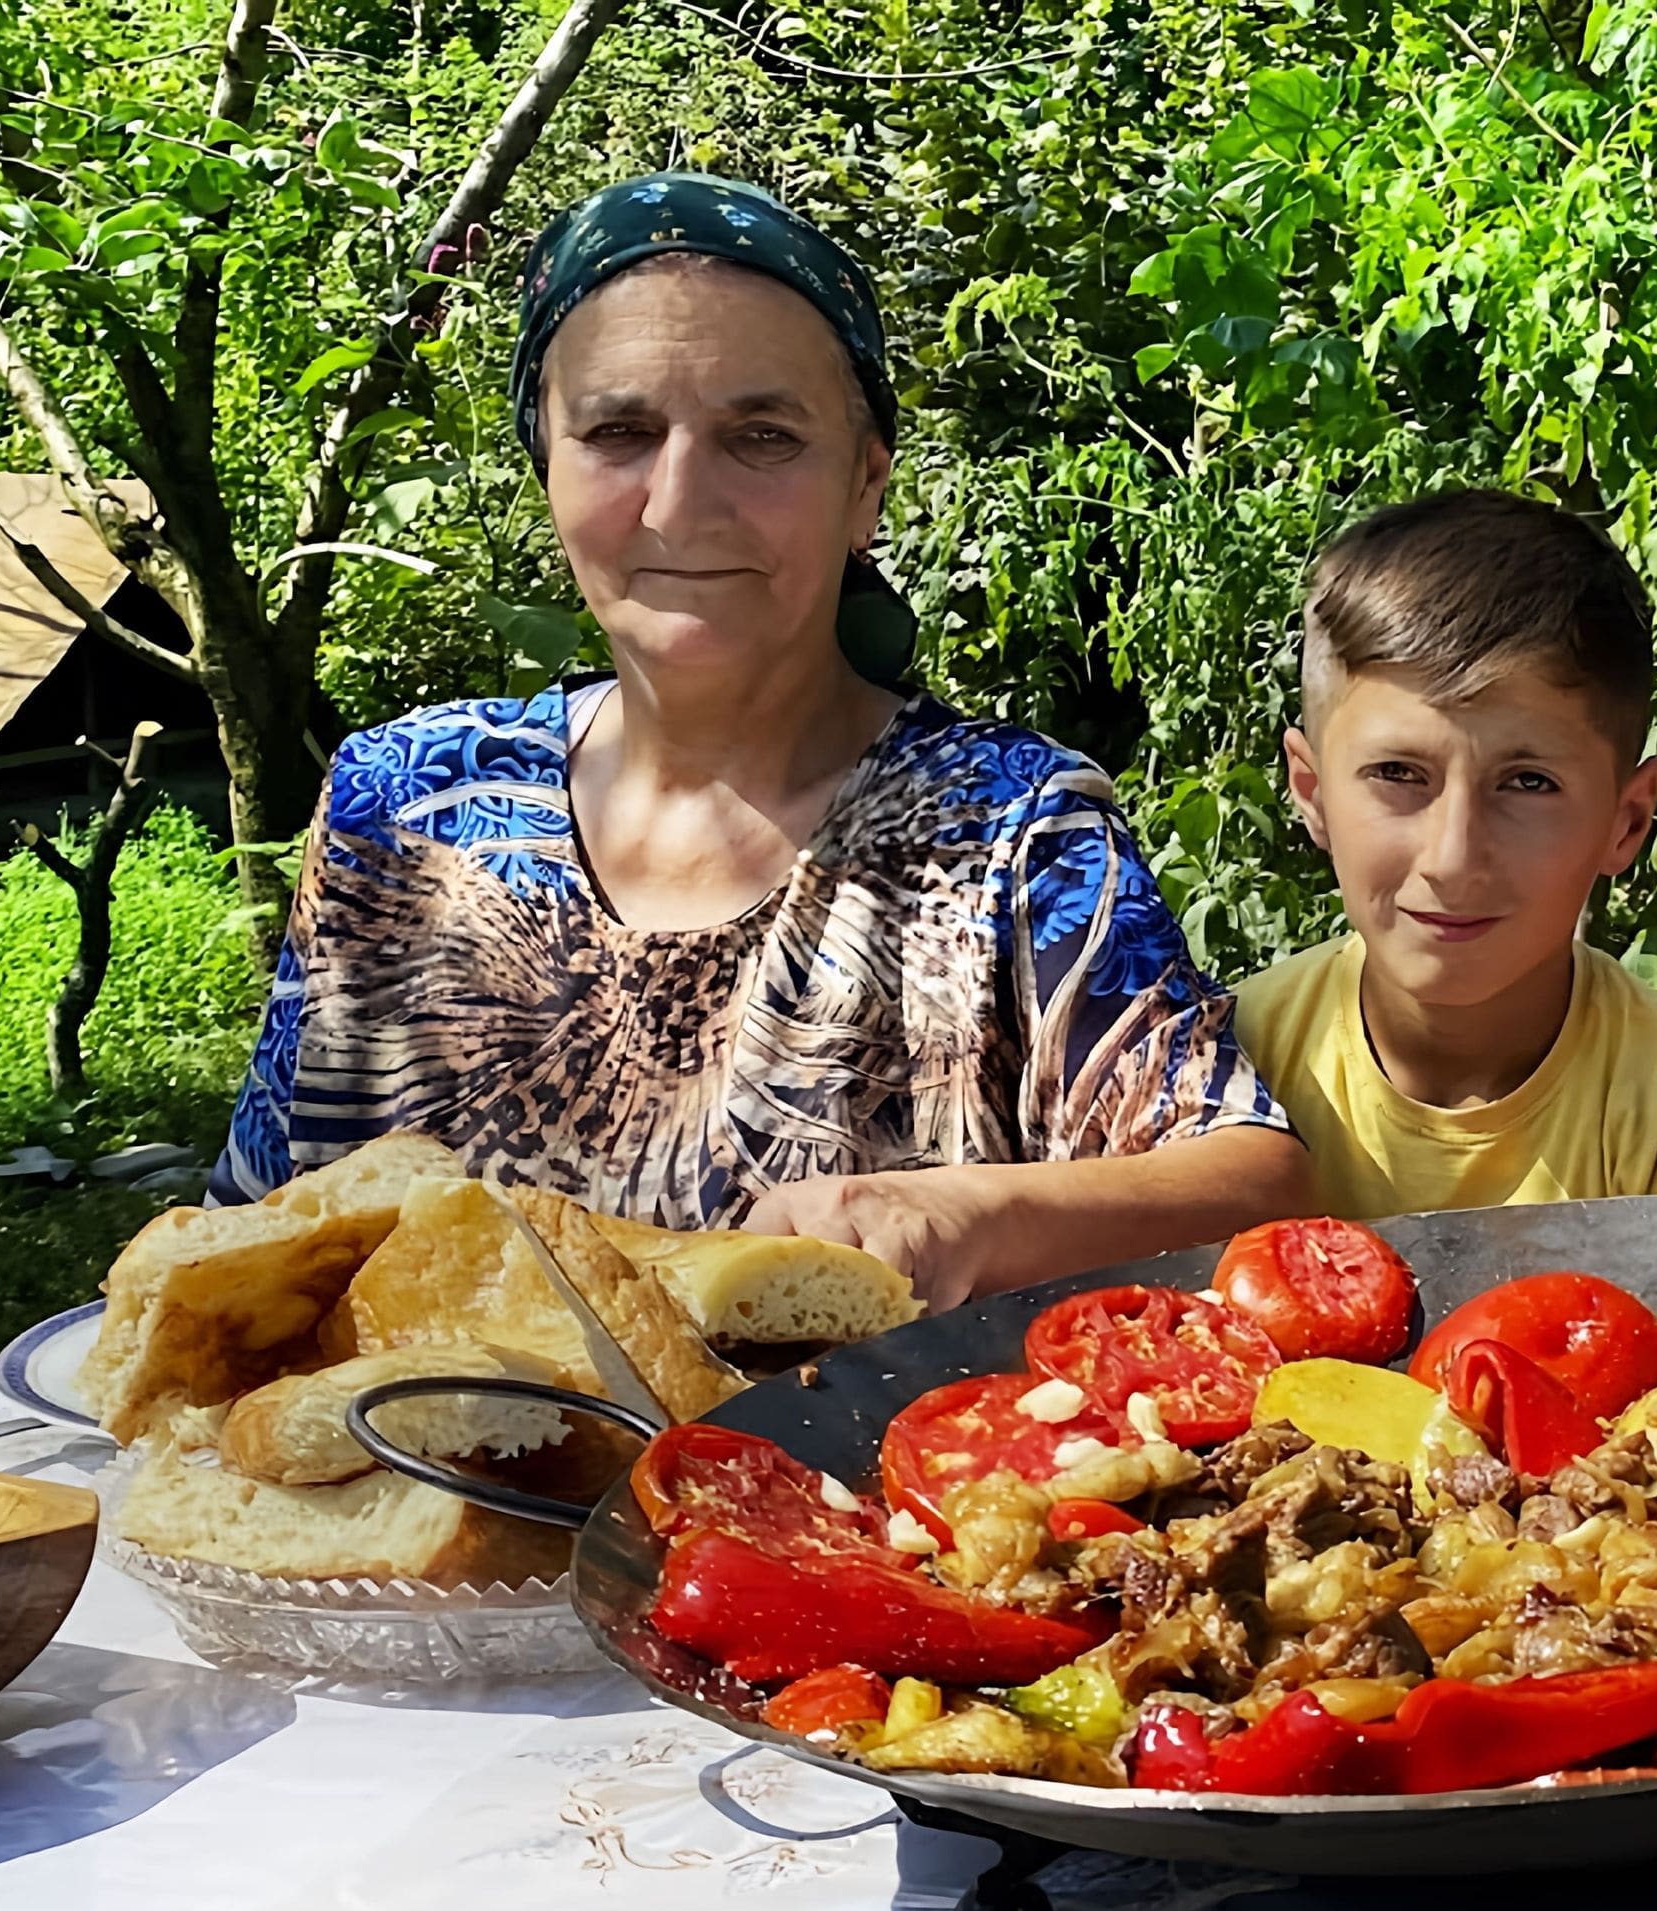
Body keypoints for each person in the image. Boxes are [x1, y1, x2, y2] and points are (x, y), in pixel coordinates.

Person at [212, 174, 1314, 1307]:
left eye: (763, 436)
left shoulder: (1009, 830)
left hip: (834, 1482)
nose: (681, 501)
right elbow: (249, 1234)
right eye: (621, 432)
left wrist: (953, 1212)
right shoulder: (401, 804)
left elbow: (1254, 1186)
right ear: (545, 458)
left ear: (864, 487)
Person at [1229, 490, 1657, 1215]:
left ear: (1626, 822)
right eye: (1399, 775)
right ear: (1311, 792)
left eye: (1528, 783)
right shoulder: (1231, 1075)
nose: (1453, 858)